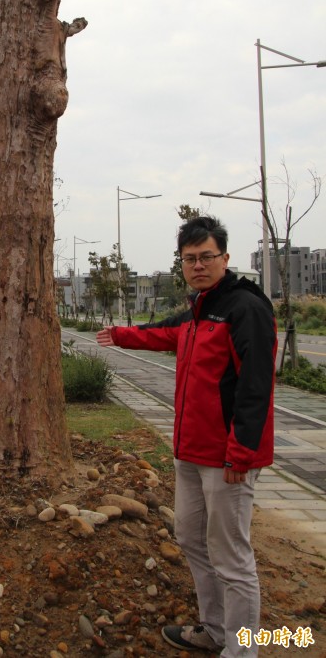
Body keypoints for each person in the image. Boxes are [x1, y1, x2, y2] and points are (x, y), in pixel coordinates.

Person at [96, 216, 276, 658]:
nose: (197, 265)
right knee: (192, 539)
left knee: (232, 556)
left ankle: (242, 650)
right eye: (189, 259)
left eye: (206, 257)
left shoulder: (245, 309)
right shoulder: (200, 308)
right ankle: (214, 631)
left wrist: (241, 453)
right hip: (189, 452)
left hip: (227, 459)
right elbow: (166, 333)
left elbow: (256, 387)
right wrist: (120, 335)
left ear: (225, 258)